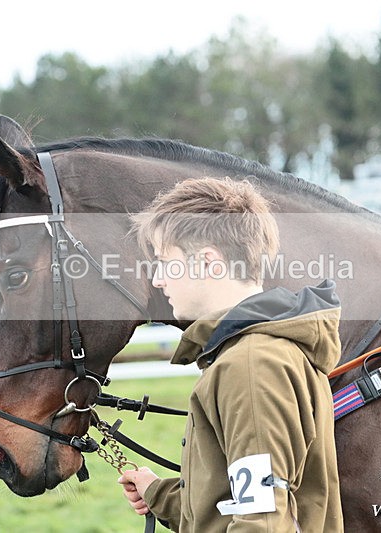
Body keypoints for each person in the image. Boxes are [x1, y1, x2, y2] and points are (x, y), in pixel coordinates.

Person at [119, 177, 343, 532]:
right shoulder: (257, 352)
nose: (158, 280)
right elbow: (237, 501)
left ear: (208, 261)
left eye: (164, 261)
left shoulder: (251, 365)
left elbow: (262, 521)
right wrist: (159, 495)